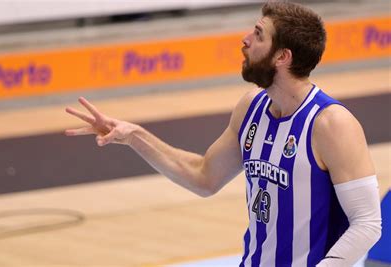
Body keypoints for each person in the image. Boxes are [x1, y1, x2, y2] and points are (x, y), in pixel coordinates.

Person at [65, 2, 382, 266]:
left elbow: (368, 224)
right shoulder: (251, 107)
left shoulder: (331, 124)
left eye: (258, 35)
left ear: (282, 56)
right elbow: (204, 177)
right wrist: (135, 136)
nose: (244, 40)